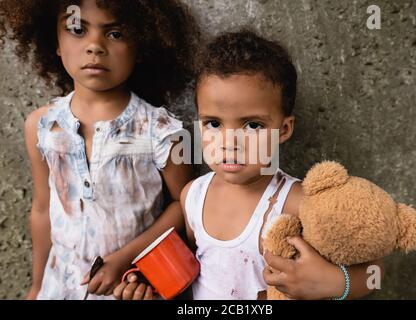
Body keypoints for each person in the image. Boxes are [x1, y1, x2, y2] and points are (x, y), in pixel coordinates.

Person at [114, 30, 384, 300]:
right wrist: (149, 286)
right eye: (214, 123)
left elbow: (375, 273)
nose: (229, 142)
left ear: (284, 129)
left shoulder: (297, 202)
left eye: (253, 125)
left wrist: (331, 282)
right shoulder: (192, 197)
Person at [0, 0, 199, 300]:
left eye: (115, 33)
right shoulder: (42, 126)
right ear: (54, 41)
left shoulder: (163, 132)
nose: (95, 46)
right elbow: (42, 210)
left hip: (132, 287)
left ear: (141, 45)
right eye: (77, 29)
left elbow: (187, 207)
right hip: (60, 285)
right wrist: (38, 285)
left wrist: (125, 259)